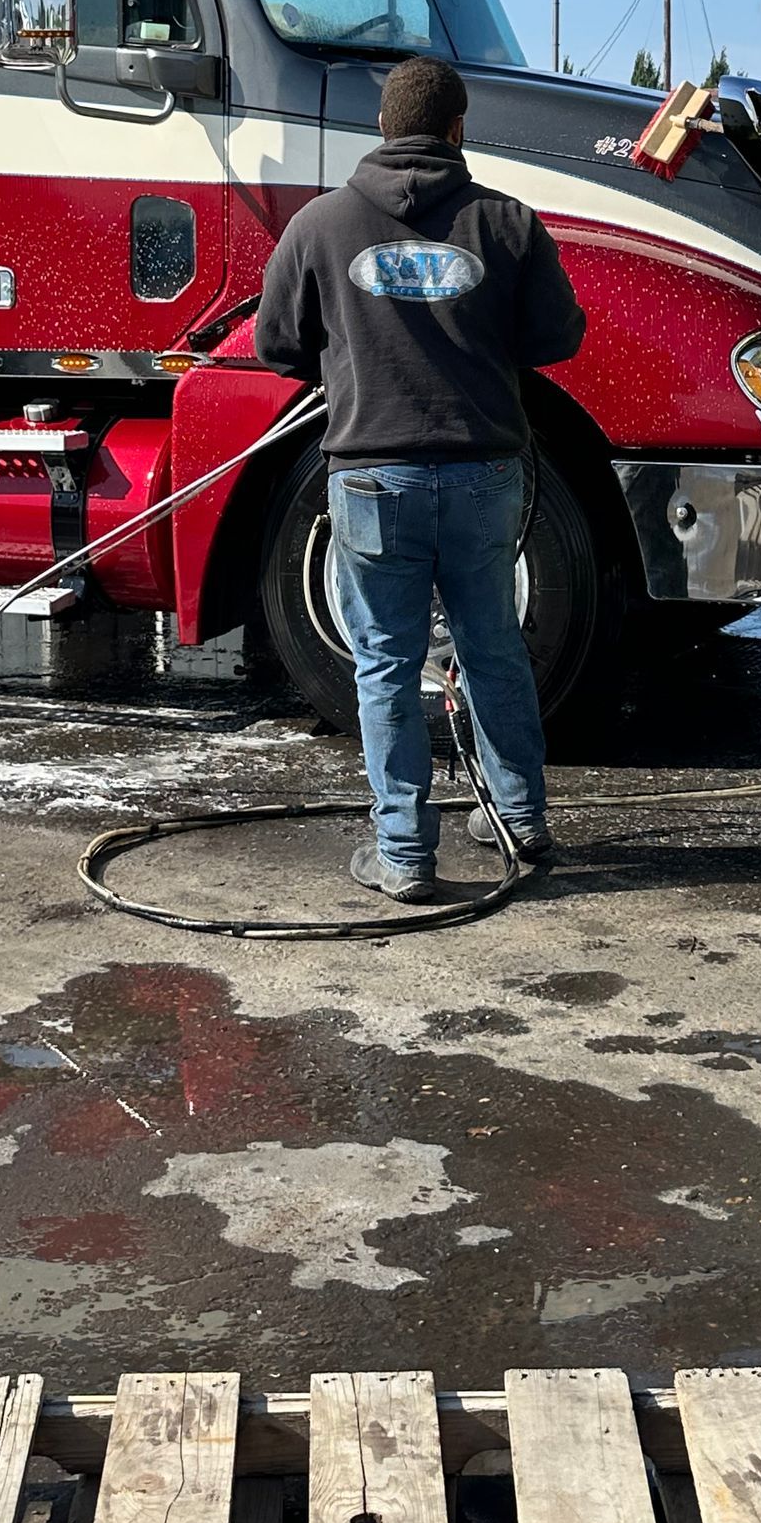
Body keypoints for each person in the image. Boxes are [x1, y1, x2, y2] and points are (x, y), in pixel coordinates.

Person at [254, 55, 586, 900]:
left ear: (380, 129)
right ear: (458, 128)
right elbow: (557, 337)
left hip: (372, 480)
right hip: (483, 474)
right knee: (492, 647)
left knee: (386, 664)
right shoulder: (507, 222)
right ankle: (519, 817)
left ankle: (404, 855)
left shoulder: (319, 225)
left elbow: (275, 347)